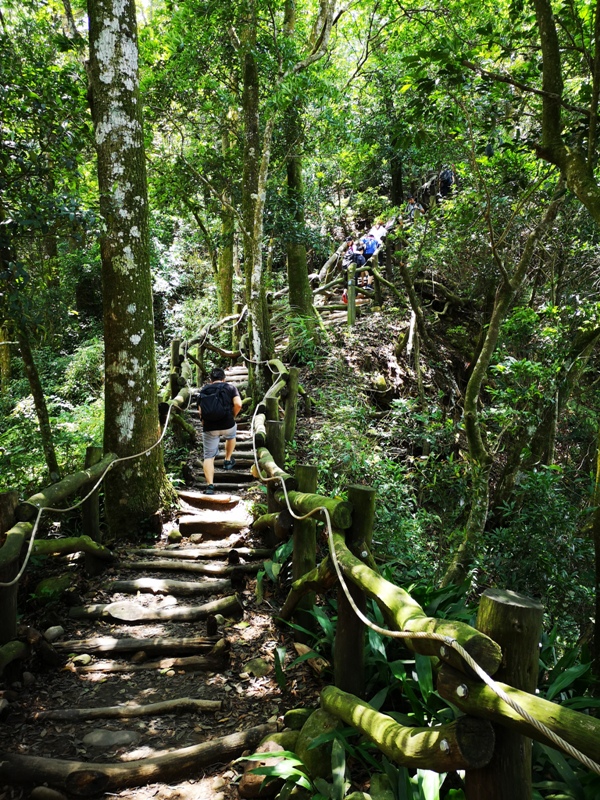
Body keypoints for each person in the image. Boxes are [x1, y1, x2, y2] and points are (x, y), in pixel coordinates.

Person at [196, 367, 242, 495]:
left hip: (209, 427)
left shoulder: (203, 390)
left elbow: (200, 411)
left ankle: (210, 486)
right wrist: (233, 416)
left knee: (208, 456)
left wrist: (204, 422)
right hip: (227, 423)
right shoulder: (230, 388)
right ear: (224, 378)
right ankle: (227, 460)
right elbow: (238, 404)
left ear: (211, 380)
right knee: (231, 435)